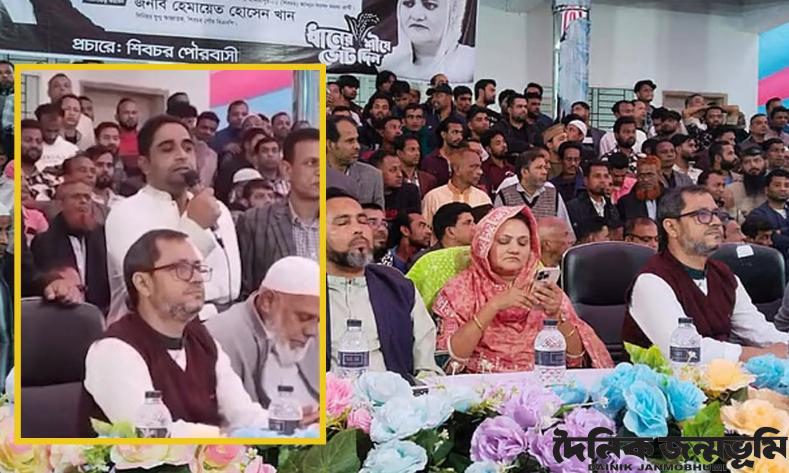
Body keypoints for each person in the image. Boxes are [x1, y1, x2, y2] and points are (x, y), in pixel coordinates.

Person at [80, 230, 271, 438]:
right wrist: (225, 435)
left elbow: (243, 415)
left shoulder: (203, 340)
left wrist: (285, 428)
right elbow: (152, 435)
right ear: (143, 283)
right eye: (181, 269)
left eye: (198, 268)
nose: (197, 278)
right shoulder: (113, 351)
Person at [432, 205, 613, 373]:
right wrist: (494, 306)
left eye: (523, 243)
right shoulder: (459, 290)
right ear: (484, 245)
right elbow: (448, 361)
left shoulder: (543, 288)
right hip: (481, 388)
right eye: (504, 241)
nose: (514, 250)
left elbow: (575, 360)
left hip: (541, 384)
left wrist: (556, 315)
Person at [624, 186, 788, 362]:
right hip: (660, 379)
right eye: (702, 215)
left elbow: (759, 331)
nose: (716, 222)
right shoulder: (651, 281)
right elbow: (684, 352)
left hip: (722, 377)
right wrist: (759, 354)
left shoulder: (724, 276)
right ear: (671, 227)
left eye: (715, 213)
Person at [105, 115, 240, 324]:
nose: (182, 156)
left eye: (188, 148)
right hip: (146, 331)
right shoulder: (125, 213)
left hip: (216, 323)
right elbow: (150, 289)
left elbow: (231, 286)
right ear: (145, 164)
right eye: (167, 149)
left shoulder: (217, 208)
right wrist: (196, 226)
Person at [326, 188, 442, 379]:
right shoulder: (304, 295)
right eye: (343, 222)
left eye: (363, 221)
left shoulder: (397, 286)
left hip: (398, 395)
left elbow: (427, 369)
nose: (359, 229)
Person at [206, 256, 319, 415]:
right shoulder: (220, 338)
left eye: (318, 320)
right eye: (304, 317)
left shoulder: (314, 335)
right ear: (267, 301)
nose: (312, 331)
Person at [236, 128, 319, 298]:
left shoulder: (342, 222)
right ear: (287, 170)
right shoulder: (255, 222)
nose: (320, 171)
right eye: (311, 163)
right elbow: (244, 289)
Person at [31, 181, 110, 315]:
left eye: (87, 197)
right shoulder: (43, 242)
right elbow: (38, 279)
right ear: (61, 204)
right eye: (76, 197)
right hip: (61, 314)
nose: (83, 201)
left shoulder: (104, 237)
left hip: (101, 314)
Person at [380, 0, 473, 83]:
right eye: (409, 4)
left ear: (453, 13)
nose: (416, 15)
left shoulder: (469, 64)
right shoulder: (389, 63)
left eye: (430, 5)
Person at [495, 149, 574, 233]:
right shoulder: (504, 196)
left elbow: (566, 230)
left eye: (545, 168)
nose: (544, 172)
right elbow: (496, 230)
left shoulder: (553, 195)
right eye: (539, 168)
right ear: (524, 172)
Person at [422, 144, 492, 226]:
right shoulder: (433, 198)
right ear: (457, 169)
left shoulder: (483, 198)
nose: (480, 172)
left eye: (479, 167)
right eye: (473, 166)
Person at [327, 116, 384, 209]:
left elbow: (378, 216)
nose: (357, 146)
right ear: (330, 144)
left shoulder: (373, 176)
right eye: (350, 141)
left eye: (357, 140)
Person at [567, 160, 623, 239]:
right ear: (586, 181)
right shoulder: (573, 207)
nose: (602, 180)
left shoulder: (612, 208)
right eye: (597, 176)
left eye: (606, 176)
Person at [215, 128, 267, 205]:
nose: (262, 145)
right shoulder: (232, 166)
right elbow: (222, 193)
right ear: (247, 145)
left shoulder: (266, 166)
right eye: (258, 141)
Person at [747, 169, 789, 262]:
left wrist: (781, 231)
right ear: (766, 190)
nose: (783, 189)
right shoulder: (757, 215)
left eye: (787, 185)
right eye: (777, 185)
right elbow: (774, 240)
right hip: (774, 263)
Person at [369, 150, 420, 222]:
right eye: (393, 170)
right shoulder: (367, 194)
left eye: (400, 169)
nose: (400, 175)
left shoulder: (410, 191)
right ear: (376, 172)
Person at [617, 156, 665, 222]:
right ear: (636, 176)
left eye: (650, 175)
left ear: (659, 174)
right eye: (641, 175)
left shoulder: (670, 198)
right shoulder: (625, 203)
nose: (645, 179)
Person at [421, 115, 465, 188]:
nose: (459, 137)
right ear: (443, 134)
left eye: (461, 133)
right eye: (455, 132)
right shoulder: (430, 160)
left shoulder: (465, 158)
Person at [34, 103, 79, 173]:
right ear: (38, 124)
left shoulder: (73, 150)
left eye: (56, 131)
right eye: (48, 131)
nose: (52, 136)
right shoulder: (29, 149)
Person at [727, 146, 768, 223]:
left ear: (766, 163)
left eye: (757, 160)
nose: (753, 165)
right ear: (741, 166)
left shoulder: (773, 187)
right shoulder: (732, 190)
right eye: (747, 162)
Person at [84, 145, 124, 209]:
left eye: (109, 165)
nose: (105, 169)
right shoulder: (82, 201)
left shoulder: (122, 202)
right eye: (99, 165)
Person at [480, 129, 513, 198]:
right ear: (488, 149)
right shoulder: (483, 169)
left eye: (504, 141)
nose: (504, 145)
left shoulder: (512, 168)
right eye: (498, 143)